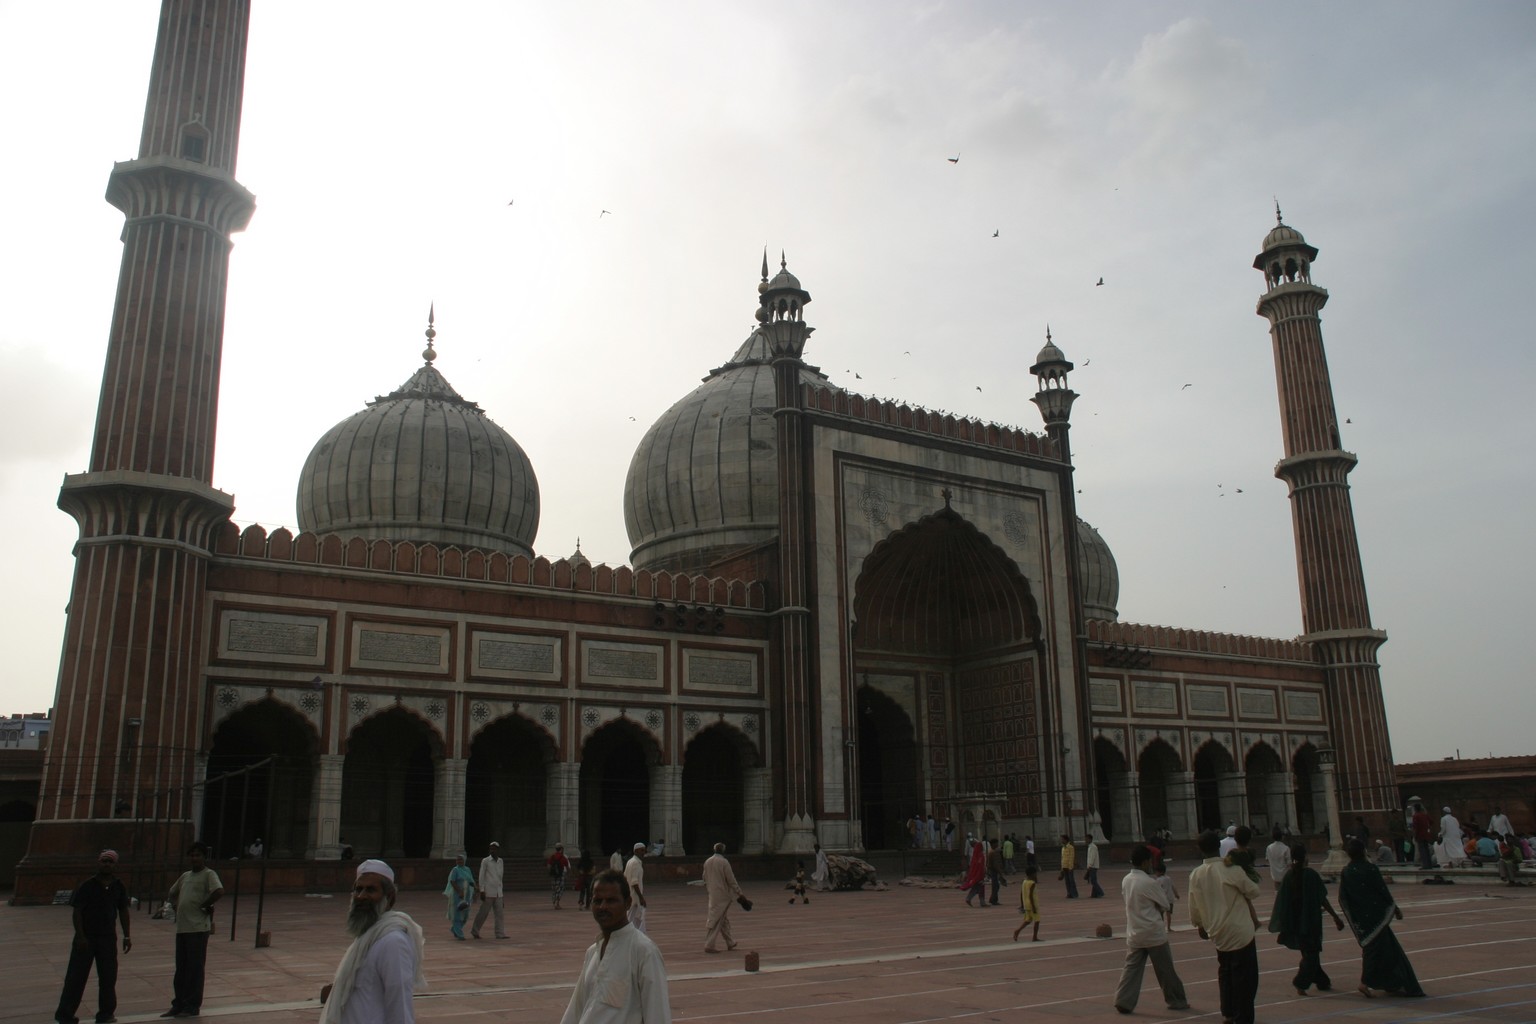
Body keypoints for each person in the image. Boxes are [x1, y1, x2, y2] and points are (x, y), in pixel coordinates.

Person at [319, 859, 424, 1024]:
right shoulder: (368, 936)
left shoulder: (393, 941)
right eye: (358, 889)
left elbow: (400, 1006)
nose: (361, 896)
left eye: (371, 890)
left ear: (390, 898)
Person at [560, 869, 671, 1024]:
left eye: (611, 900)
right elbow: (576, 1009)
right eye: (597, 901)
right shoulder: (593, 952)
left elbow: (657, 1015)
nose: (603, 907)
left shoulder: (644, 951)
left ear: (627, 903)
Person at [1189, 829, 1261, 1024]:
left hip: (1217, 931)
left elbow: (1194, 905)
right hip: (1240, 931)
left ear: (1200, 849)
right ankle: (1242, 1017)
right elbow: (1253, 891)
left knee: (1226, 972)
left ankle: (1228, 1012)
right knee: (1245, 978)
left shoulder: (1196, 874)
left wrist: (1200, 925)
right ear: (1218, 846)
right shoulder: (1231, 869)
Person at [1337, 838, 1425, 998]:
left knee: (1381, 949)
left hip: (1361, 918)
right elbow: (1382, 890)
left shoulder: (1347, 871)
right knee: (1374, 950)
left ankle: (1391, 982)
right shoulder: (1370, 869)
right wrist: (1394, 908)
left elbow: (1343, 897)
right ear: (1363, 851)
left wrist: (1353, 916)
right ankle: (1364, 982)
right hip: (1377, 916)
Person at [54, 848, 131, 1024]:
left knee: (108, 977)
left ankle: (106, 1013)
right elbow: (77, 912)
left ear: (115, 865)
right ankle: (65, 1014)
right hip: (86, 937)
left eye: (110, 862)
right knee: (76, 978)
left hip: (107, 937)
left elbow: (123, 911)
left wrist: (127, 935)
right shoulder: (87, 885)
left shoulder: (118, 886)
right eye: (104, 861)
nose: (107, 864)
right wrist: (80, 936)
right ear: (99, 863)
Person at [1113, 844, 1189, 1014]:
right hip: (1153, 933)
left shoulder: (1126, 880)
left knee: (1131, 969)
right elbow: (1164, 904)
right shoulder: (1149, 882)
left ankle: (1123, 1000)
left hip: (1134, 931)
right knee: (1165, 970)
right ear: (1145, 862)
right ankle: (1176, 1000)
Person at [1268, 843, 1344, 996]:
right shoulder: (1310, 875)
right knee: (1312, 953)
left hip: (1295, 921)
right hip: (1310, 921)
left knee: (1308, 952)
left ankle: (1322, 980)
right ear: (1305, 857)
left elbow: (1282, 902)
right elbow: (1322, 899)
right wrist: (1336, 917)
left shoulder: (1289, 876)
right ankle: (1301, 982)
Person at [161, 841, 225, 1019]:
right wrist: (176, 905)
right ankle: (178, 1003)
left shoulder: (209, 874)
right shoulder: (185, 876)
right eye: (192, 855)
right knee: (181, 968)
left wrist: (205, 904)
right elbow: (172, 893)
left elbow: (219, 891)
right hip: (183, 928)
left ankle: (192, 1005)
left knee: (194, 969)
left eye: (198, 855)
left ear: (204, 857)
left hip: (198, 928)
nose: (195, 858)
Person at [702, 842, 748, 953]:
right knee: (717, 919)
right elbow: (731, 880)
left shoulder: (708, 861)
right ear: (723, 851)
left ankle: (730, 942)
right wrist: (740, 893)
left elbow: (704, 877)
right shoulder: (724, 862)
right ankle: (709, 944)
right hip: (723, 895)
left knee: (722, 919)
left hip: (712, 893)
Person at [471, 841, 507, 940]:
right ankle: (475, 930)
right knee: (483, 913)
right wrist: (482, 890)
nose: (492, 850)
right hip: (488, 892)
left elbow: (500, 878)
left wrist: (501, 894)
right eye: (491, 849)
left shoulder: (501, 861)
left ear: (498, 850)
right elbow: (481, 876)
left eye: (494, 849)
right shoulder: (485, 861)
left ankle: (500, 933)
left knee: (499, 914)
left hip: (498, 892)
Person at [444, 853, 474, 940]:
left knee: (465, 914)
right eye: (457, 860)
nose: (459, 861)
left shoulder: (467, 869)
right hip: (457, 895)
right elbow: (452, 881)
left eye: (461, 859)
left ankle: (455, 929)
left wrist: (476, 888)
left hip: (466, 895)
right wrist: (459, 891)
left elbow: (470, 881)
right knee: (457, 914)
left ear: (464, 860)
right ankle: (460, 934)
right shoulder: (455, 870)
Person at [1012, 864, 1041, 941]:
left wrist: (1022, 904)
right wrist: (1034, 907)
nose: (1036, 875)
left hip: (1026, 904)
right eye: (1035, 874)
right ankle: (1035, 937)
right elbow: (1031, 895)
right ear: (1032, 874)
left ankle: (1017, 931)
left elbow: (1021, 893)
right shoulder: (1032, 883)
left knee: (1028, 920)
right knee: (1037, 921)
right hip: (1032, 904)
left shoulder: (1024, 882)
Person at [625, 842, 650, 933]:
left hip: (631, 896)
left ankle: (636, 936)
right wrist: (641, 897)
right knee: (632, 920)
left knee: (634, 921)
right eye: (642, 850)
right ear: (636, 851)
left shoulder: (630, 862)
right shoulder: (635, 863)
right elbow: (634, 883)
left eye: (644, 851)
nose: (644, 853)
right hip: (635, 897)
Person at [962, 834, 986, 907]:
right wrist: (981, 874)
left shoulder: (975, 855)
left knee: (978, 887)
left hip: (975, 875)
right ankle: (970, 899)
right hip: (979, 875)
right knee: (979, 888)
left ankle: (981, 902)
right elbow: (980, 866)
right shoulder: (980, 855)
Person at [1265, 825, 1292, 889]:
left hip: (1274, 874)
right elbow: (1289, 862)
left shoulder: (1269, 848)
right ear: (1282, 837)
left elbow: (1267, 859)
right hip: (1285, 873)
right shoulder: (1286, 848)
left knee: (1277, 890)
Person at [1410, 801, 1434, 869]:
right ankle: (1429, 865)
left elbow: (1415, 827)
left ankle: (1425, 865)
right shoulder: (1425, 815)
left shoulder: (1416, 816)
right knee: (1427, 850)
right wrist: (1427, 827)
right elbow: (1431, 822)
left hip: (1420, 835)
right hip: (1426, 835)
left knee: (1422, 851)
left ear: (1415, 809)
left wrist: (1415, 835)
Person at [1154, 860, 1178, 929]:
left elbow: (1157, 890)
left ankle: (1162, 927)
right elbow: (1173, 887)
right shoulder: (1168, 878)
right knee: (1168, 914)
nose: (1155, 873)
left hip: (1163, 899)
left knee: (1161, 913)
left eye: (1156, 872)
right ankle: (1169, 927)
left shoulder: (1158, 880)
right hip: (1170, 899)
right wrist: (1176, 894)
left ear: (1160, 872)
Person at [549, 843, 571, 908]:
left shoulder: (552, 856)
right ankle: (557, 902)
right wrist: (568, 874)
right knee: (560, 888)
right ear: (561, 849)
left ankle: (554, 901)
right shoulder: (563, 857)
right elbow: (567, 867)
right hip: (561, 875)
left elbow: (549, 865)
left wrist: (551, 872)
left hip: (553, 875)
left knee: (554, 888)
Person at [986, 839, 1005, 905]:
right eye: (996, 843)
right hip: (994, 871)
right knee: (995, 886)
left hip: (992, 870)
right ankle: (993, 899)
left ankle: (993, 899)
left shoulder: (991, 852)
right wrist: (1000, 872)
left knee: (995, 885)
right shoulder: (993, 852)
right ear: (993, 844)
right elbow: (995, 864)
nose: (997, 845)